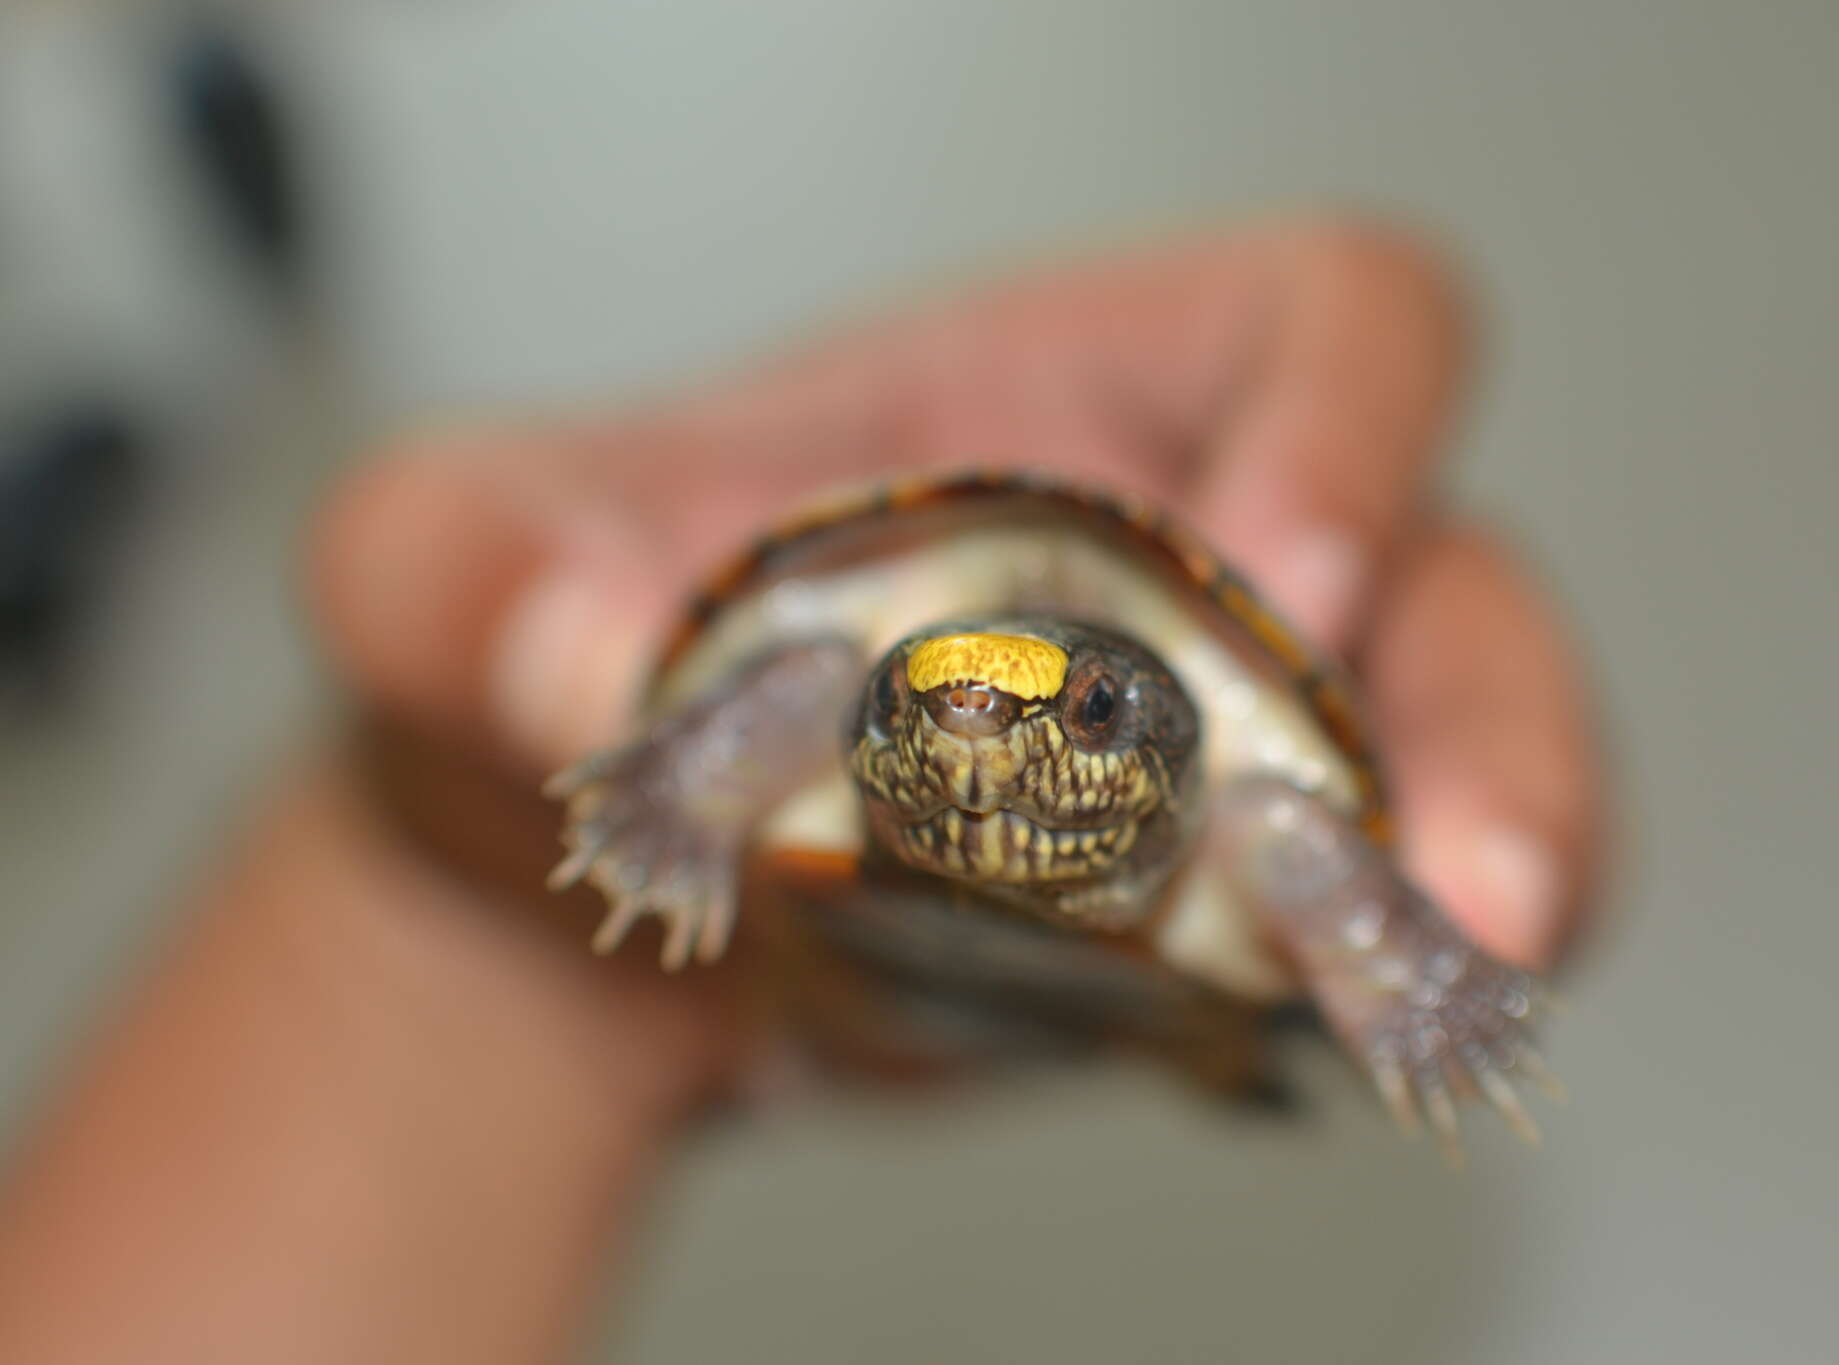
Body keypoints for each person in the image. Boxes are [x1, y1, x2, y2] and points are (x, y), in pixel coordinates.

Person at [0, 219, 1602, 1364]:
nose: (1002, 733)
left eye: (1089, 707)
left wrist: (1416, 977)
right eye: (944, 694)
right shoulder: (829, 690)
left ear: (1174, 720)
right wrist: (638, 813)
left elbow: (1298, 840)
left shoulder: (1254, 808)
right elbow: (805, 694)